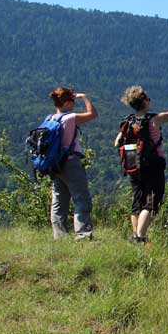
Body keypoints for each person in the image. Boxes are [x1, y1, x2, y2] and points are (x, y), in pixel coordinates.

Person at [115, 86, 168, 242]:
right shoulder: (154, 120)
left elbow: (117, 143)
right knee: (152, 201)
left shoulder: (128, 121)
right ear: (145, 101)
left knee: (137, 200)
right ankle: (140, 237)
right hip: (153, 165)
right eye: (148, 98)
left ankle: (135, 235)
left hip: (133, 165)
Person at [47, 86, 98, 240]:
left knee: (58, 201)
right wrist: (84, 97)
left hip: (55, 164)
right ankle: (83, 234)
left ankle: (59, 236)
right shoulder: (70, 118)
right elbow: (93, 114)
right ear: (67, 102)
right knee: (81, 198)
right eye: (73, 100)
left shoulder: (50, 118)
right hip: (70, 162)